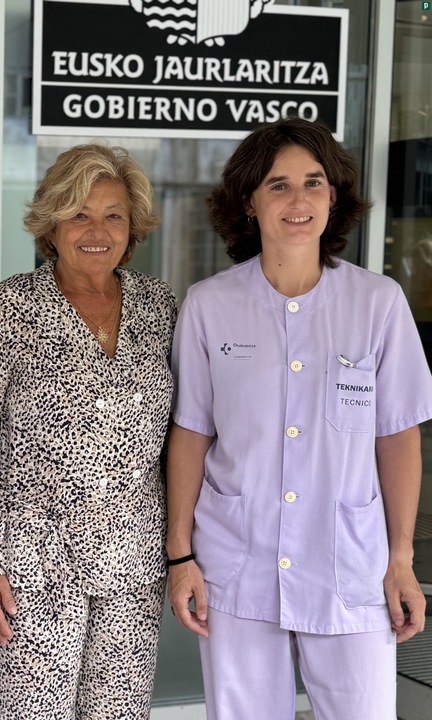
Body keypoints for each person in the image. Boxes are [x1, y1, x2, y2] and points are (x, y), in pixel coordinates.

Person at [167, 118, 432, 719]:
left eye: (314, 182)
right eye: (278, 184)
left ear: (333, 196)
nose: (299, 199)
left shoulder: (378, 303)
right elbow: (190, 433)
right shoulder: (210, 304)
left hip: (351, 563)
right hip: (237, 560)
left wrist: (400, 559)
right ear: (249, 201)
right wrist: (180, 556)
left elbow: (398, 436)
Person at [0, 144, 176, 719]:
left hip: (134, 566)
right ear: (51, 224)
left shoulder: (160, 307)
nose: (97, 231)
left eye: (113, 215)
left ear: (132, 227)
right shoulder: (7, 309)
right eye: (79, 214)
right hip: (32, 570)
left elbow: (180, 438)